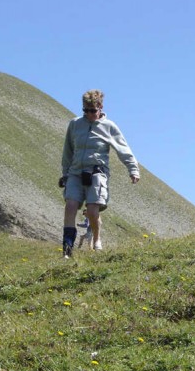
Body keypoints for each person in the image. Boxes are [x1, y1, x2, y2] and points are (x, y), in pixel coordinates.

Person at [60, 89, 140, 258]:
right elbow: (68, 151)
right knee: (70, 207)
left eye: (92, 111)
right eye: (85, 110)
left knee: (92, 211)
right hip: (75, 172)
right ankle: (67, 248)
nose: (89, 114)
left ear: (100, 107)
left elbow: (123, 149)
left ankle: (96, 239)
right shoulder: (75, 124)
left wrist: (133, 169)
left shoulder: (109, 127)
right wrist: (65, 174)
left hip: (97, 172)